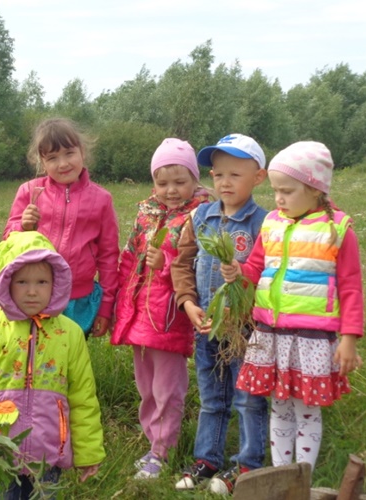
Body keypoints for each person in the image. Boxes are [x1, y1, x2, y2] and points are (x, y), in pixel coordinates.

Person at [220, 141, 364, 473]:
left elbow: (352, 287)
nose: (279, 199)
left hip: (312, 337)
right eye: (275, 191)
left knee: (307, 410)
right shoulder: (272, 223)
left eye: (287, 191)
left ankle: (303, 477)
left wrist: (349, 338)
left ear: (315, 189)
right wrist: (239, 273)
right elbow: (256, 269)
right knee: (279, 407)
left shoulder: (336, 230)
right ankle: (282, 476)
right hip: (269, 333)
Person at [0, 230, 105, 499]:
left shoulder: (70, 334)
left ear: (56, 284)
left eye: (41, 281)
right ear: (5, 282)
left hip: (48, 453)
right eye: (22, 282)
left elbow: (83, 397)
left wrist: (88, 452)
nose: (32, 291)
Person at [170, 134, 270, 494]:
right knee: (212, 397)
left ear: (258, 177)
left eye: (235, 175)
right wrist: (188, 303)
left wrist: (241, 284)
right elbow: (181, 264)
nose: (225, 183)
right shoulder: (200, 216)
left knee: (247, 398)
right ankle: (207, 459)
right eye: (218, 175)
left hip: (245, 331)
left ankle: (247, 465)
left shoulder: (264, 223)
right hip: (206, 326)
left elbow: (269, 277)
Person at [111, 138, 212, 479]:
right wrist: (118, 304)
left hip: (170, 315)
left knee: (167, 390)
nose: (170, 190)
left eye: (180, 182)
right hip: (139, 313)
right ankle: (152, 442)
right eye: (162, 182)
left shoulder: (201, 216)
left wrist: (166, 262)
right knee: (146, 387)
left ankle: (162, 451)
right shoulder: (146, 213)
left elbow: (201, 267)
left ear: (195, 180)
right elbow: (129, 258)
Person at [4, 118, 119, 338]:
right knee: (31, 357)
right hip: (34, 294)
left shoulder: (101, 200)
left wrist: (106, 306)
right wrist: (22, 225)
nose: (63, 163)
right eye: (53, 158)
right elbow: (7, 240)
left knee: (71, 358)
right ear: (42, 162)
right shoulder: (29, 192)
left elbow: (109, 256)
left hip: (78, 299)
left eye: (69, 153)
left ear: (82, 151)